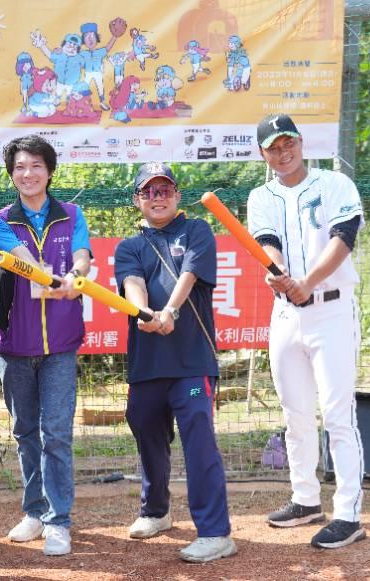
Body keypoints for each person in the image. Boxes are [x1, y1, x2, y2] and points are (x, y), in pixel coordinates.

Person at [247, 114, 366, 549]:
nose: (283, 152)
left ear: (301, 142)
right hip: (286, 313)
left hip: (331, 310)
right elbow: (266, 240)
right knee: (295, 412)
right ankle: (305, 498)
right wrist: (280, 275)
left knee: (337, 413)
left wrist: (307, 282)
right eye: (273, 147)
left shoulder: (335, 184)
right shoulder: (261, 195)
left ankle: (349, 512)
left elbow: (344, 236)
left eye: (288, 143)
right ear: (263, 154)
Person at [114, 162, 237, 563]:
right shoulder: (129, 246)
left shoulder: (197, 230)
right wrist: (143, 313)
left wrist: (168, 311)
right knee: (147, 433)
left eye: (164, 189)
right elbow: (132, 284)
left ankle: (216, 532)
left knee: (199, 441)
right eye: (149, 191)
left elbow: (188, 276)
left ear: (177, 194)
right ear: (138, 200)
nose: (158, 197)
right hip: (147, 363)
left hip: (192, 360)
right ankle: (156, 510)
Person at [0, 135, 92, 557]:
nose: (27, 174)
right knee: (25, 432)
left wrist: (77, 274)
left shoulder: (72, 214)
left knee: (57, 434)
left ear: (49, 170)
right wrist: (52, 279)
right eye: (19, 167)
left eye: (35, 166)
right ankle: (33, 510)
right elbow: (19, 261)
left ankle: (58, 520)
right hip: (13, 344)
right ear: (12, 174)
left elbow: (82, 254)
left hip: (61, 343)